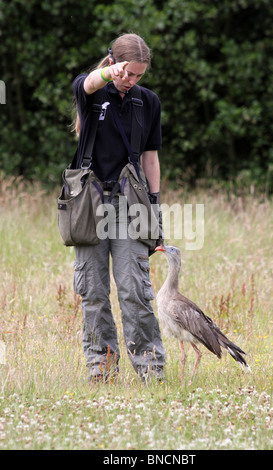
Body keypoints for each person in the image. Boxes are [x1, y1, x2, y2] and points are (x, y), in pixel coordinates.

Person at [71, 33, 166, 383]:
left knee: (135, 292)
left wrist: (155, 206)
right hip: (90, 203)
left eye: (139, 75)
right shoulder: (91, 93)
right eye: (128, 73)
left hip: (131, 205)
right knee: (93, 292)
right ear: (112, 63)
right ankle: (102, 371)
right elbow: (90, 81)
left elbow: (151, 157)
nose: (132, 80)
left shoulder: (148, 102)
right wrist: (112, 74)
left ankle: (151, 372)